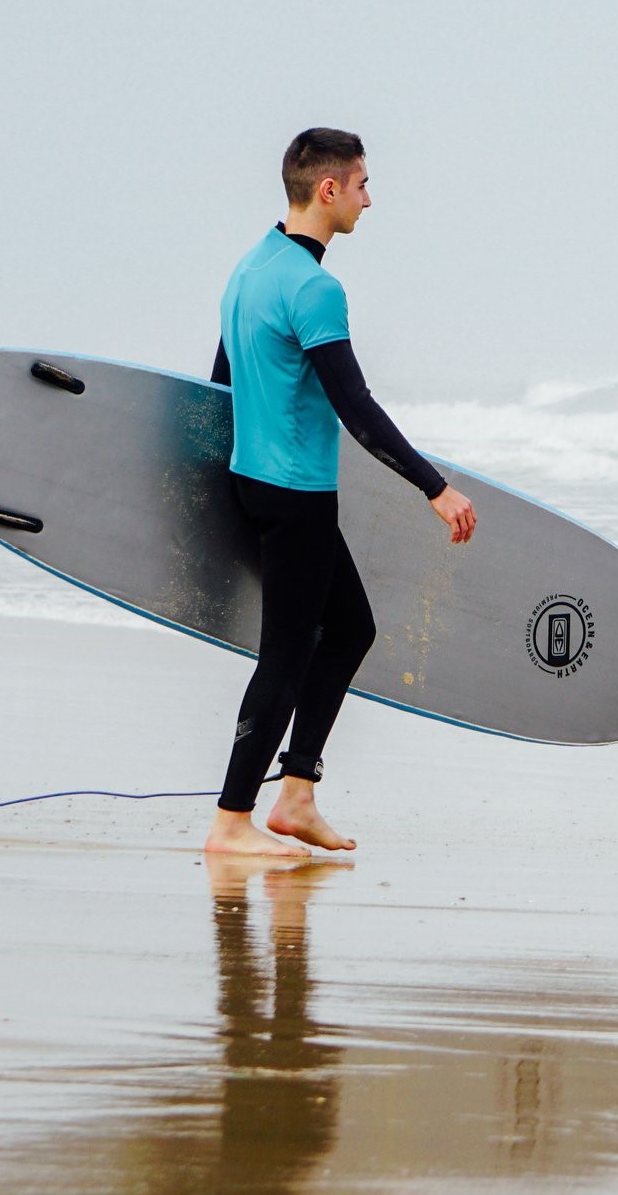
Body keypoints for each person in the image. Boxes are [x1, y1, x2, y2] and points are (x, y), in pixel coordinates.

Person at [204, 127, 477, 856]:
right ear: (328, 190)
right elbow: (355, 406)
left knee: (350, 629)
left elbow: (220, 386)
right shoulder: (314, 288)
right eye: (361, 184)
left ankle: (296, 794)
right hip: (296, 494)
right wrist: (434, 488)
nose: (368, 200)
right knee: (286, 655)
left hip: (255, 483)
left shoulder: (249, 268)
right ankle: (231, 821)